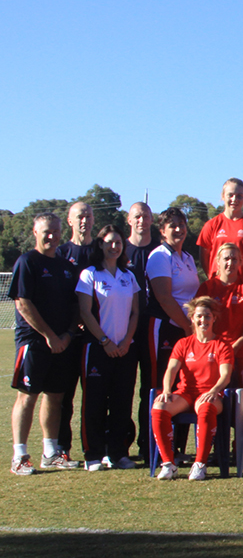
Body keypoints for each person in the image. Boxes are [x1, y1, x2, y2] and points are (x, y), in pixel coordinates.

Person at [9, 213, 81, 474]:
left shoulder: (66, 267)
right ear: (35, 232)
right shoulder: (27, 262)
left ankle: (51, 453)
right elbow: (23, 303)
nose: (51, 236)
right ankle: (19, 456)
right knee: (27, 397)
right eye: (45, 231)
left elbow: (76, 307)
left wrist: (68, 335)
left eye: (55, 231)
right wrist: (50, 336)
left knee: (55, 397)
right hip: (35, 343)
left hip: (62, 344)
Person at [76, 225, 140, 471]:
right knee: (94, 402)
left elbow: (135, 312)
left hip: (125, 350)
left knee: (122, 402)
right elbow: (84, 311)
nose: (115, 246)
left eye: (119, 242)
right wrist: (105, 341)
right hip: (98, 348)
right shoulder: (90, 274)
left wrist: (125, 342)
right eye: (110, 242)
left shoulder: (128, 276)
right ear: (101, 244)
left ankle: (118, 453)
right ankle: (92, 455)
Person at [150, 296, 233, 481]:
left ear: (214, 318)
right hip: (186, 393)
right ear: (192, 318)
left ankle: (200, 464)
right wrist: (166, 391)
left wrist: (213, 390)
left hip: (211, 394)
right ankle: (168, 464)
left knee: (205, 408)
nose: (203, 320)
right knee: (158, 408)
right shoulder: (184, 343)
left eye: (207, 316)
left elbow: (225, 375)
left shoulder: (222, 345)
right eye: (199, 316)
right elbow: (171, 369)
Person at [146, 208, 201, 396]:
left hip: (186, 329)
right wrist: (186, 325)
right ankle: (152, 426)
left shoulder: (187, 257)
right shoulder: (160, 256)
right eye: (172, 226)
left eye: (182, 225)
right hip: (165, 327)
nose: (178, 229)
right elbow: (164, 298)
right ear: (162, 231)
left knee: (184, 383)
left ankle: (179, 427)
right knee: (161, 383)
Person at [54, 201, 93, 464]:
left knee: (94, 397)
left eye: (88, 216)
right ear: (70, 221)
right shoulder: (59, 253)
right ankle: (60, 447)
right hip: (68, 335)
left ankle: (96, 448)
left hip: (95, 336)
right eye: (79, 216)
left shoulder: (100, 251)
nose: (84, 220)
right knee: (63, 396)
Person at [197, 243, 243, 386]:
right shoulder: (207, 288)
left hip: (240, 353)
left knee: (240, 397)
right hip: (212, 352)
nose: (230, 263)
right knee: (213, 393)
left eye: (234, 259)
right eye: (226, 259)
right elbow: (197, 321)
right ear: (217, 261)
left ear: (241, 262)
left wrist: (236, 346)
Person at [125, 201, 161, 463]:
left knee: (151, 387)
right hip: (122, 327)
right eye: (137, 216)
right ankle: (118, 444)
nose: (141, 220)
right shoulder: (118, 248)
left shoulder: (159, 251)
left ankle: (149, 444)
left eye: (146, 216)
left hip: (152, 327)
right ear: (129, 219)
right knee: (122, 389)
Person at [197, 178, 243, 285]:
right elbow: (204, 258)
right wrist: (212, 277)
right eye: (230, 195)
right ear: (223, 196)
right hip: (217, 287)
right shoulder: (211, 225)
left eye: (239, 196)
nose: (235, 199)